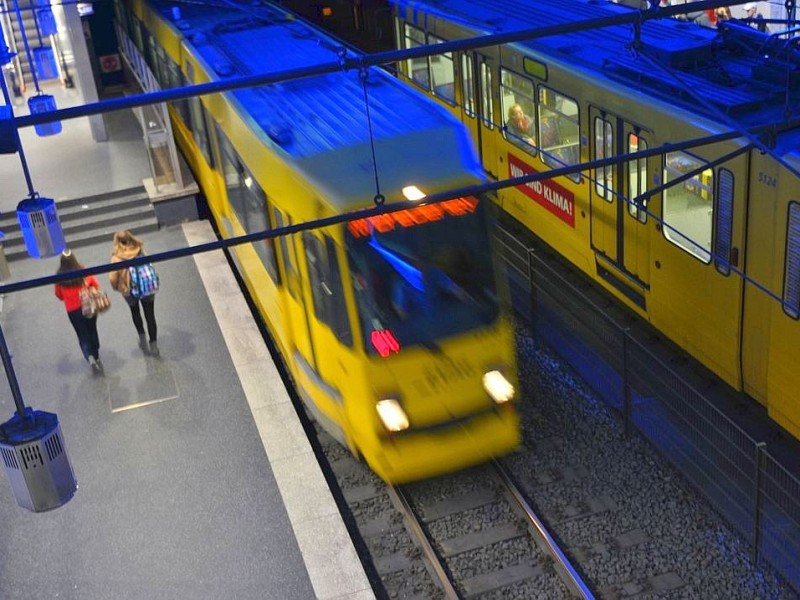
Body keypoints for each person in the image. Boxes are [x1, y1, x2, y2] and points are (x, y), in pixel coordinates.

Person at [109, 230, 159, 356]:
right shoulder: (139, 249)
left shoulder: (116, 257)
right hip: (146, 287)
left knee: (135, 311)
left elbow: (113, 278)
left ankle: (142, 337)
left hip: (128, 290)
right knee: (150, 315)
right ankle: (154, 345)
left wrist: (118, 287)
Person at [54, 249, 103, 373]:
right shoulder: (83, 271)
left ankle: (90, 357)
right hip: (88, 305)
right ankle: (96, 354)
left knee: (81, 334)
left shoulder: (59, 278)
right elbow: (95, 285)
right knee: (92, 329)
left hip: (73, 311)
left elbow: (58, 295)